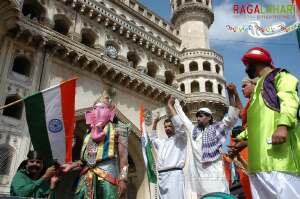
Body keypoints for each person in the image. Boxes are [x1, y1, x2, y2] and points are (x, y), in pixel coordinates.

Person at [239, 47, 300, 199]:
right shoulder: (258, 87)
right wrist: (242, 139)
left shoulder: (280, 75)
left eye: (248, 64)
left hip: (280, 160)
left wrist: (282, 125)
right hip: (258, 163)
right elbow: (258, 121)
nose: (246, 69)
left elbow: (290, 100)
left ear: (255, 62)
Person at [172, 84, 240, 197]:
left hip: (215, 172)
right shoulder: (194, 131)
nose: (198, 118)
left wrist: (230, 94)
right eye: (197, 116)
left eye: (202, 116)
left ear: (209, 117)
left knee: (218, 195)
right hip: (200, 176)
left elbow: (231, 118)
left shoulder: (217, 128)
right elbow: (183, 119)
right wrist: (174, 105)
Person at [61, 92, 129, 199]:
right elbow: (85, 160)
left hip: (107, 178)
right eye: (94, 108)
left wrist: (123, 179)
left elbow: (123, 158)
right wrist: (71, 165)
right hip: (87, 179)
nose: (97, 112)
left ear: (111, 111)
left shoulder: (119, 129)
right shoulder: (89, 133)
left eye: (102, 108)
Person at [150, 97, 187, 199]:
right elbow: (153, 138)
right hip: (162, 177)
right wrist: (155, 122)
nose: (167, 129)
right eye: (166, 127)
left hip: (174, 176)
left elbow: (180, 125)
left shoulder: (180, 139)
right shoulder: (163, 142)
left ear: (174, 127)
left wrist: (170, 106)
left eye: (170, 126)